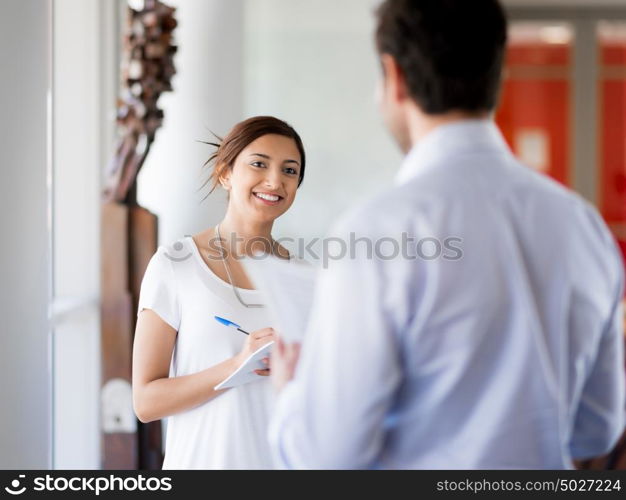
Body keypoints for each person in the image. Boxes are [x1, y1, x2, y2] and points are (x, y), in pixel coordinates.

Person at [269, 0, 625, 469]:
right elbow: (596, 431)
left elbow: (324, 458)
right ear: (496, 75)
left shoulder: (376, 233)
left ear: (394, 78)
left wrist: (291, 395)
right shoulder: (584, 226)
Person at [132, 115, 306, 469]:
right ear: (226, 173)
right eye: (259, 164)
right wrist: (237, 365)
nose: (275, 181)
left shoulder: (300, 276)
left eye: (290, 171)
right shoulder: (175, 265)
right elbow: (146, 401)